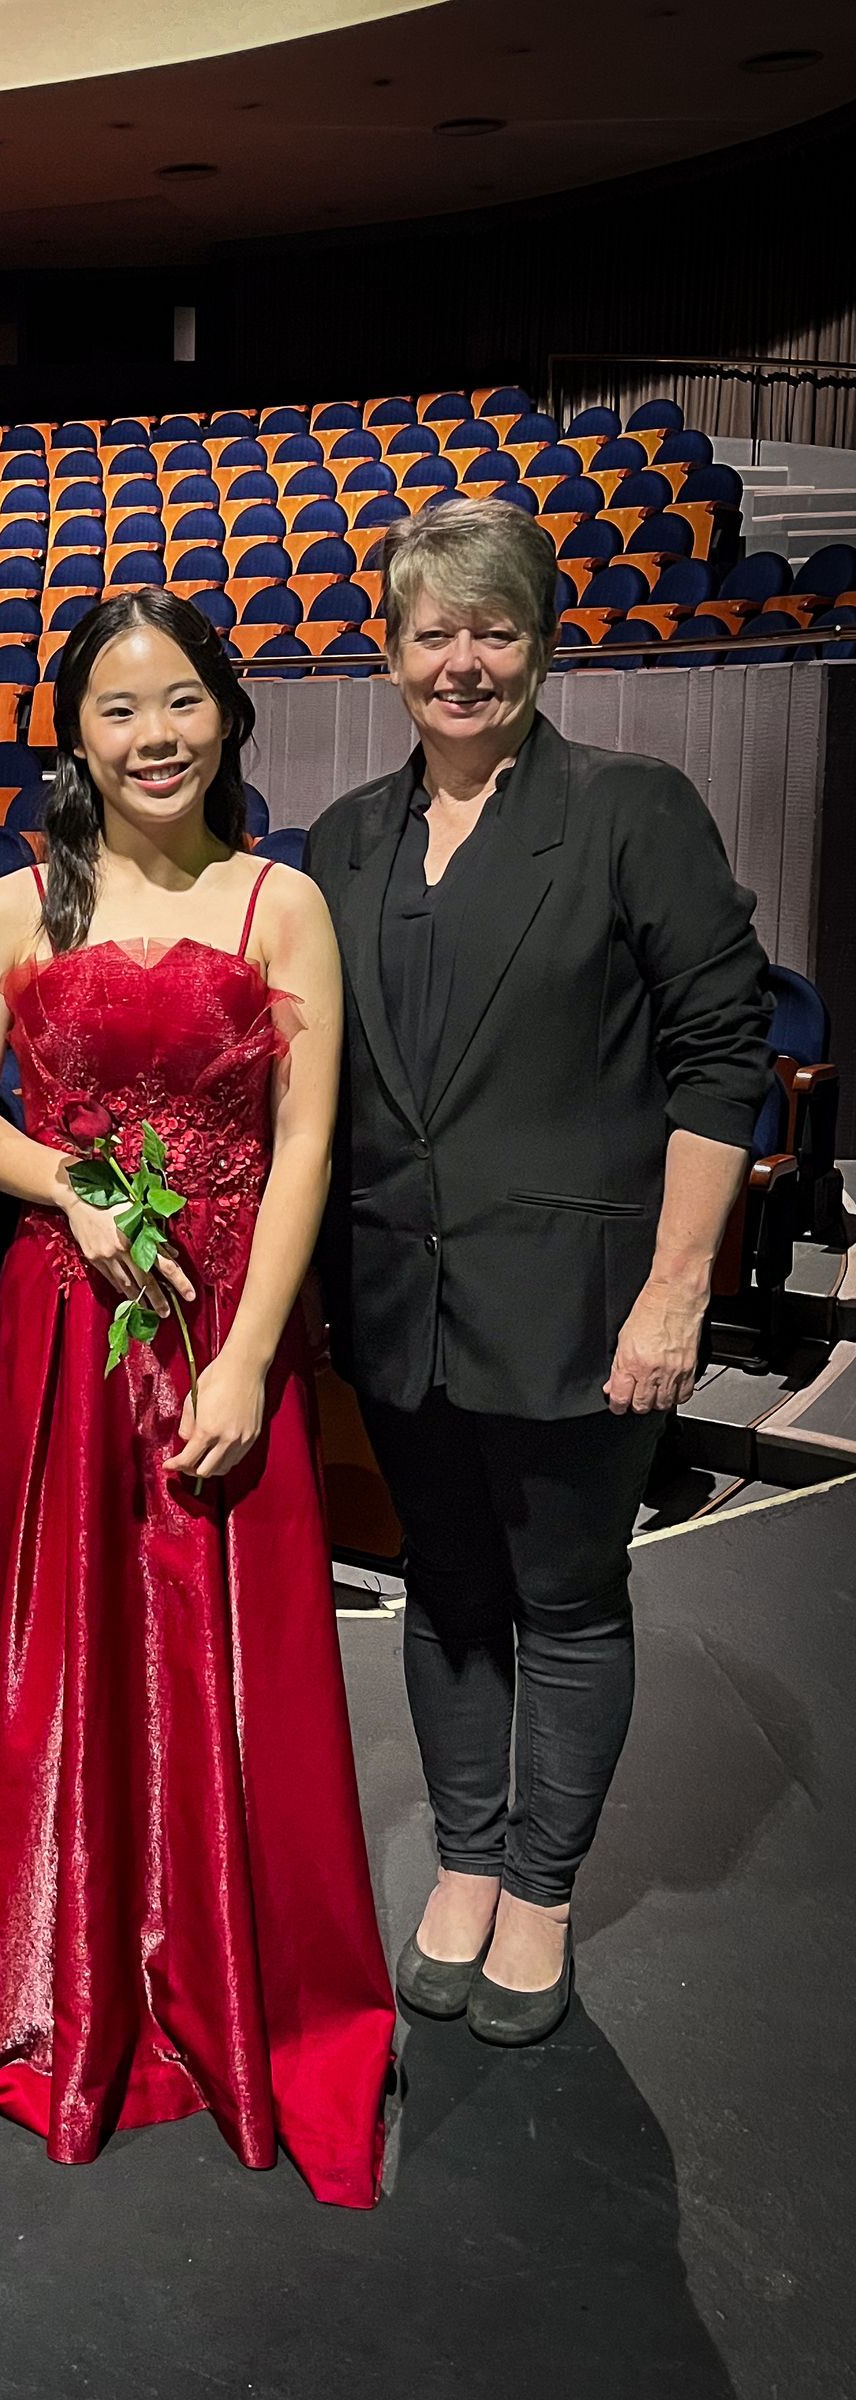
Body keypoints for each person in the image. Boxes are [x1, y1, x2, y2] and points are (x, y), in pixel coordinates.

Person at [0, 589, 394, 2209]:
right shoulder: (10, 911)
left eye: (182, 701)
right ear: (73, 733)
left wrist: (254, 1359)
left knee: (243, 1663)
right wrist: (72, 1187)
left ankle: (252, 2001)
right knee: (72, 1664)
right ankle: (86, 1997)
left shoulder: (282, 903)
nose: (154, 735)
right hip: (65, 1326)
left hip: (225, 1322)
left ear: (229, 716)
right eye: (120, 709)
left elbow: (305, 1152)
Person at [306, 498, 770, 2045]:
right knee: (444, 1593)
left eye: (493, 627)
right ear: (389, 653)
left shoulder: (634, 809)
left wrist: (678, 1287)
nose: (463, 660)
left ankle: (543, 1886)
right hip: (400, 1306)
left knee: (566, 1601)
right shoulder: (348, 840)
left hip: (583, 1305)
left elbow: (720, 1062)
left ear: (543, 640)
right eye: (431, 631)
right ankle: (465, 1857)